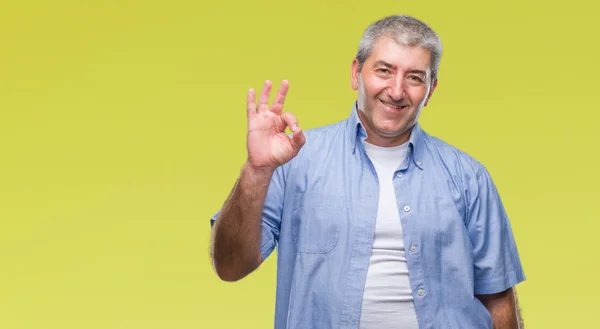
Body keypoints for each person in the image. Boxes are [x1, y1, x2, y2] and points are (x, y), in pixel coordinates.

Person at [209, 14, 526, 329]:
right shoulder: (295, 162)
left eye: (415, 77)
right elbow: (230, 266)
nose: (397, 90)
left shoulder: (469, 178)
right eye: (384, 71)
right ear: (355, 73)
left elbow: (498, 299)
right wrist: (256, 171)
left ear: (430, 90)